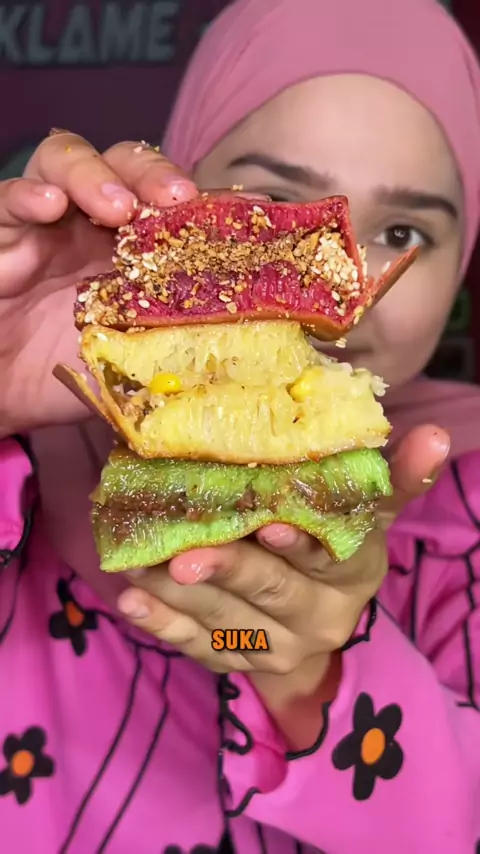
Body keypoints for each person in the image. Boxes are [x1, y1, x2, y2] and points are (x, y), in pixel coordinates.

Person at [0, 0, 479, 851]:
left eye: (401, 231)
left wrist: (297, 665)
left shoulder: (463, 529)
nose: (335, 283)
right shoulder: (27, 470)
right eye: (273, 204)